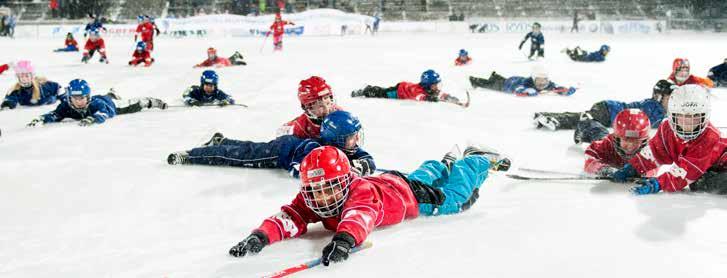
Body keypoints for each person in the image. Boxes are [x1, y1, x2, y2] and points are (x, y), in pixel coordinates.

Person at [226, 144, 511, 265]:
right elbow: (289, 217)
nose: (322, 197)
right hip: (393, 181)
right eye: (315, 190)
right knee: (423, 174)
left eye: (329, 188)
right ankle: (443, 163)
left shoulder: (358, 190)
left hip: (411, 198)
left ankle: (477, 160)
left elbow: (359, 216)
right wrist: (260, 236)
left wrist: (344, 240)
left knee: (457, 199)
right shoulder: (314, 197)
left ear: (344, 182)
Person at [167, 110, 376, 178]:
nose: (356, 140)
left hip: (288, 144)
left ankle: (222, 140)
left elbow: (367, 158)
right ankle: (192, 154)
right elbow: (298, 170)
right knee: (237, 155)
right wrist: (336, 172)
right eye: (352, 136)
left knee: (248, 147)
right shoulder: (315, 150)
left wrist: (363, 165)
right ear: (336, 139)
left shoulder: (347, 148)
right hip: (279, 153)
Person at [610, 85, 727, 195]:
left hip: (721, 168)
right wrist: (633, 168)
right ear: (673, 115)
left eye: (695, 117)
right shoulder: (667, 128)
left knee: (703, 183)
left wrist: (657, 184)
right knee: (699, 182)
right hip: (705, 171)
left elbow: (685, 172)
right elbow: (654, 153)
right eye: (682, 117)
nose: (688, 124)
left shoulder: (710, 137)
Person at [532, 79, 674, 143]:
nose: (672, 101)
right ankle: (555, 120)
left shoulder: (660, 109)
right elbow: (663, 124)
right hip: (608, 110)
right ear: (658, 96)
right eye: (669, 98)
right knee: (584, 118)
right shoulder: (653, 106)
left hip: (610, 112)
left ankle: (549, 117)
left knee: (584, 117)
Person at [26, 79, 167, 127]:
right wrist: (42, 119)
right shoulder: (65, 106)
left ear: (88, 97)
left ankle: (150, 101)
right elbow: (55, 114)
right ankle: (111, 93)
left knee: (132, 105)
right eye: (75, 98)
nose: (79, 101)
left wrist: (94, 118)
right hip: (104, 99)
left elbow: (104, 112)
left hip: (110, 105)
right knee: (110, 96)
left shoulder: (95, 104)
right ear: (69, 99)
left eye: (82, 98)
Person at [584, 109, 651, 178]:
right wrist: (602, 169)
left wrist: (641, 172)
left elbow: (653, 168)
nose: (631, 146)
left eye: (636, 141)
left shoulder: (650, 151)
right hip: (600, 137)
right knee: (596, 132)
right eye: (626, 140)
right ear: (616, 137)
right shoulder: (607, 144)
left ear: (644, 140)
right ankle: (587, 120)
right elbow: (590, 157)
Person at [351, 69, 467, 106]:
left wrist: (456, 101)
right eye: (435, 85)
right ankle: (366, 90)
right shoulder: (418, 91)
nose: (437, 87)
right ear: (427, 84)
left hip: (405, 87)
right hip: (398, 91)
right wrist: (431, 99)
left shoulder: (431, 90)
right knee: (379, 92)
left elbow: (442, 95)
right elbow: (419, 97)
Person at [469, 66, 576, 97]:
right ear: (533, 80)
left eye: (544, 81)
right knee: (490, 85)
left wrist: (566, 91)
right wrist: (526, 91)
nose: (542, 84)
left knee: (499, 80)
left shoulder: (548, 85)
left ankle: (495, 76)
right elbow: (518, 90)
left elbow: (557, 88)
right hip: (509, 84)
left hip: (514, 79)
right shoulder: (526, 83)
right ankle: (475, 80)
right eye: (539, 81)